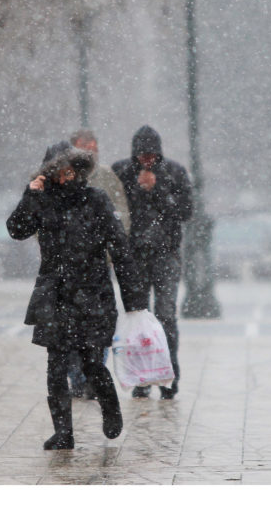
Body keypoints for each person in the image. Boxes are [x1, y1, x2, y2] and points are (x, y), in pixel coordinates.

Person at [6, 141, 147, 450]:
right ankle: (63, 432)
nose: (65, 177)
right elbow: (16, 229)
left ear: (78, 170)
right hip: (54, 293)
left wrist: (134, 299)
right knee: (55, 365)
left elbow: (119, 249)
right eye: (58, 172)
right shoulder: (41, 200)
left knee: (91, 363)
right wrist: (30, 194)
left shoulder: (95, 199)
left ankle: (110, 408)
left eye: (70, 170)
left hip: (92, 293)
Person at [112, 125, 192, 400]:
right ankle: (141, 378)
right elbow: (115, 210)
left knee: (166, 316)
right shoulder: (122, 172)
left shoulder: (174, 172)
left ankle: (169, 377)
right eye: (142, 156)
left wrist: (157, 190)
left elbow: (184, 211)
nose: (147, 161)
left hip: (165, 253)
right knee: (138, 318)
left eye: (151, 156)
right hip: (134, 256)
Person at [65, 128, 130, 400]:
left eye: (94, 145)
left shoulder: (106, 177)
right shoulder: (62, 174)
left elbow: (121, 213)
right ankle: (77, 377)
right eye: (84, 145)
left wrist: (112, 250)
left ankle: (94, 376)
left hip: (97, 262)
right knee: (70, 324)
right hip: (67, 264)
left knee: (99, 321)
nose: (91, 150)